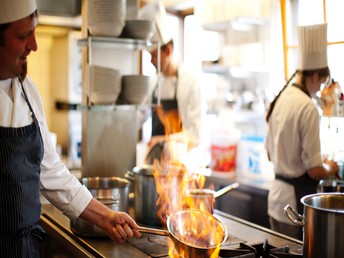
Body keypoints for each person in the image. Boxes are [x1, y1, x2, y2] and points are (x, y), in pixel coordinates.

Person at [0, 0, 140, 256]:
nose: (34, 45)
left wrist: (105, 216)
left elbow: (49, 171)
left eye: (34, 31)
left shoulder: (27, 91)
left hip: (26, 250)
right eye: (23, 36)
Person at [265, 23, 339, 240]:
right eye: (322, 82)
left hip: (275, 200)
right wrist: (330, 166)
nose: (320, 89)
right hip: (294, 207)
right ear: (314, 75)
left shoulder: (280, 98)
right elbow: (314, 171)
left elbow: (270, 153)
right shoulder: (307, 107)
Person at [139, 0, 206, 161]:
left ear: (167, 51)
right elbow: (140, 115)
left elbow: (195, 136)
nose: (151, 61)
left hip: (179, 165)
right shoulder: (154, 82)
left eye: (154, 55)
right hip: (154, 163)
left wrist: (163, 140)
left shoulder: (190, 83)